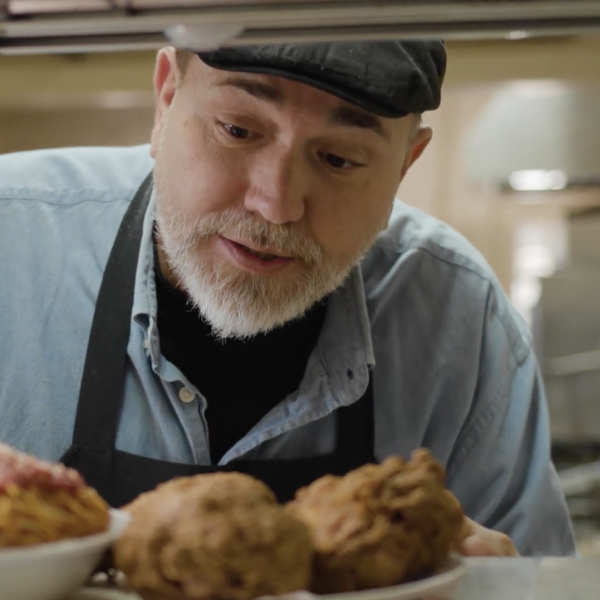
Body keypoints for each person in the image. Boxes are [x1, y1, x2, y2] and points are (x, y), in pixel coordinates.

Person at [0, 40, 575, 557]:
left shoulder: (460, 316)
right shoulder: (14, 243)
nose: (275, 204)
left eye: (339, 159)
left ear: (403, 167)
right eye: (238, 130)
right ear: (166, 97)